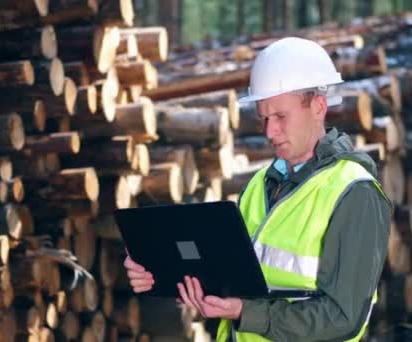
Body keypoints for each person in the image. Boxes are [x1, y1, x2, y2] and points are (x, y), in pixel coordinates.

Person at [124, 37, 392, 341]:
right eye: (263, 117)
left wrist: (244, 312)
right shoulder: (259, 184)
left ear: (318, 106)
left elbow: (342, 319)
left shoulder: (355, 193)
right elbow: (234, 280)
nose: (269, 131)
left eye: (280, 116)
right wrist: (158, 270)